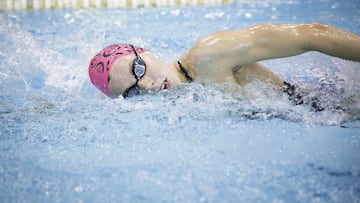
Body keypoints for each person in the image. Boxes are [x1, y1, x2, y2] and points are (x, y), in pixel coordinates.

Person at [88, 22, 360, 110]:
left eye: (138, 69)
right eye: (133, 92)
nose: (146, 85)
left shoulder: (209, 55)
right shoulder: (187, 102)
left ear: (145, 52)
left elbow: (311, 34)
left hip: (324, 107)